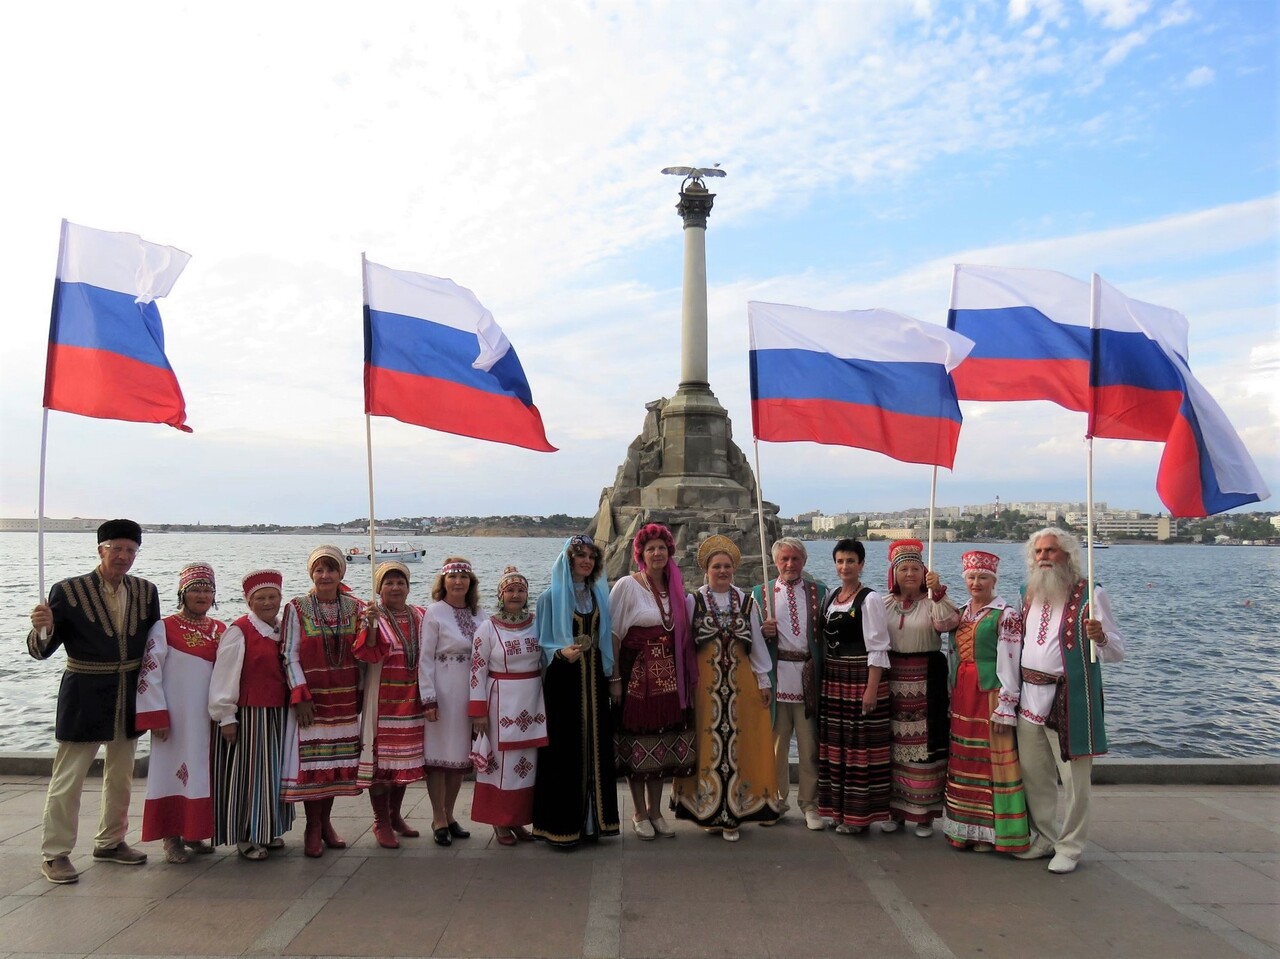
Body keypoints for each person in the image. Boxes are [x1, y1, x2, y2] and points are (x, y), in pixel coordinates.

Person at [27, 519, 160, 883]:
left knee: (121, 775)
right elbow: (42, 650)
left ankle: (111, 841)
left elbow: (156, 647)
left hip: (130, 691)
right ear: (100, 549)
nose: (123, 556)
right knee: (68, 777)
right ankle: (55, 853)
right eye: (115, 548)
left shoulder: (147, 592)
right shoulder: (67, 591)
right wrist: (43, 626)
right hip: (85, 691)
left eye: (130, 550)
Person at [1015, 528, 1125, 874]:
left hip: (1071, 699)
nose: (1044, 557)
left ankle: (1071, 845)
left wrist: (1102, 637)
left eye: (1051, 551)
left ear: (1068, 555)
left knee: (1075, 780)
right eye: (1039, 552)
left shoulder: (1092, 595)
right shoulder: (1027, 593)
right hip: (1030, 699)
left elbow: (1117, 652)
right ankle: (1045, 836)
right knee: (1034, 775)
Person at [672, 535, 781, 840]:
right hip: (704, 688)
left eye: (727, 566)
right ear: (706, 569)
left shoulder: (747, 602)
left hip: (740, 687)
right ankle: (706, 809)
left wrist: (763, 681)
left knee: (739, 744)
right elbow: (682, 646)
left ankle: (733, 813)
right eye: (716, 566)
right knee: (706, 744)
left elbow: (757, 646)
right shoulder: (693, 601)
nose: (722, 571)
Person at [281, 545, 375, 858]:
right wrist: (300, 694)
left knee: (334, 764)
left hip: (345, 699)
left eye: (331, 569)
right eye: (319, 570)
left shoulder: (356, 606)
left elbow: (365, 653)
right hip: (313, 701)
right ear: (311, 573)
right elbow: (289, 654)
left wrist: (372, 625)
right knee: (314, 764)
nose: (325, 575)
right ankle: (312, 826)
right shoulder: (297, 607)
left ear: (340, 573)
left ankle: (325, 823)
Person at [609, 523, 697, 840]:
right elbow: (615, 634)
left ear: (669, 552)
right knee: (637, 742)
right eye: (651, 549)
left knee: (663, 742)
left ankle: (657, 811)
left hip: (669, 680)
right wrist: (616, 678)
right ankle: (638, 812)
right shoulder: (627, 586)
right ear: (641, 555)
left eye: (662, 547)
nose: (657, 553)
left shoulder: (676, 588)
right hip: (636, 678)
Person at [531, 535, 620, 848]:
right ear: (567, 560)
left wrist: (613, 677)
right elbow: (541, 642)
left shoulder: (598, 594)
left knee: (595, 744)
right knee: (565, 748)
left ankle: (595, 823)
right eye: (579, 556)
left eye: (591, 557)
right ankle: (561, 826)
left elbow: (606, 634)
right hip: (563, 681)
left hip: (594, 677)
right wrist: (559, 653)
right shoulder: (549, 598)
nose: (586, 561)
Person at [939, 550, 1030, 855]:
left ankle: (997, 833)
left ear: (994, 580)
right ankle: (964, 829)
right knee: (965, 758)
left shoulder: (1006, 614)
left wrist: (1007, 702)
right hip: (963, 692)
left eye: (982, 577)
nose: (976, 583)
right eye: (971, 577)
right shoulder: (961, 612)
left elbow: (1011, 659)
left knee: (992, 761)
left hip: (990, 693)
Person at [136, 562, 227, 863]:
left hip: (208, 718)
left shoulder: (220, 629)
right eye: (195, 590)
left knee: (201, 773)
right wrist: (156, 715)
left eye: (207, 590)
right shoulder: (164, 627)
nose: (202, 595)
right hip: (175, 720)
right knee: (171, 773)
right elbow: (149, 673)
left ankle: (194, 832)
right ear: (182, 593)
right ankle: (170, 839)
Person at [208, 569, 294, 860]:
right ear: (249, 601)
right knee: (248, 775)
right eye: (261, 598)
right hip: (251, 713)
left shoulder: (282, 629)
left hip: (277, 713)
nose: (268, 602)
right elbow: (225, 675)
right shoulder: (240, 631)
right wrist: (226, 716)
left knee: (272, 773)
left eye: (273, 597)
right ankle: (246, 835)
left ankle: (266, 830)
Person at [817, 538, 892, 835]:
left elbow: (878, 648)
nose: (844, 566)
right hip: (834, 678)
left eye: (850, 561)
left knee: (858, 749)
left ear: (861, 564)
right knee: (836, 748)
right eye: (840, 561)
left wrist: (871, 689)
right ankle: (838, 811)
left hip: (860, 676)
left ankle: (858, 817)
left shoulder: (870, 599)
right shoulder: (832, 595)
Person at [881, 539, 955, 838]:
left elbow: (947, 624)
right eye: (903, 569)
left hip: (927, 677)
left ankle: (924, 816)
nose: (909, 574)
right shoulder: (884, 603)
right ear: (894, 574)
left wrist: (937, 592)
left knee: (926, 749)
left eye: (915, 568)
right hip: (893, 677)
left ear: (924, 571)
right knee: (894, 748)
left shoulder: (934, 602)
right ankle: (896, 811)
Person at [751, 537, 827, 831]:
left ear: (803, 561)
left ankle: (810, 804)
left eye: (795, 559)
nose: (790, 564)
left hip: (808, 677)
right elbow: (751, 639)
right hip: (777, 676)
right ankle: (776, 802)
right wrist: (762, 629)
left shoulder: (819, 592)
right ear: (775, 561)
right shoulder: (761, 593)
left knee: (810, 747)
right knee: (776, 747)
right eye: (784, 559)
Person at [469, 566, 548, 846]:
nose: (516, 594)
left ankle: (517, 819)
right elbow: (477, 670)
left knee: (527, 762)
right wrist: (477, 712)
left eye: (520, 590)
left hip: (532, 700)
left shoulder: (538, 622)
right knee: (501, 764)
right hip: (500, 701)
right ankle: (498, 821)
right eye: (510, 590)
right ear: (500, 595)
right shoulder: (487, 627)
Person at [354, 562, 427, 850]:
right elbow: (367, 654)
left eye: (400, 582)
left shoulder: (421, 615)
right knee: (383, 763)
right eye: (389, 583)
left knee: (404, 761)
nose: (395, 588)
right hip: (381, 697)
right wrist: (370, 627)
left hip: (413, 697)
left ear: (408, 587)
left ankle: (395, 816)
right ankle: (380, 821)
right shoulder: (371, 616)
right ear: (379, 588)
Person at [421, 557, 481, 846]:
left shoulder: (478, 614)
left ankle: (450, 814)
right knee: (439, 758)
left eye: (464, 577)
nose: (458, 582)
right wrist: (428, 698)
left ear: (471, 582)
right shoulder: (434, 613)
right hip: (443, 693)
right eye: (453, 577)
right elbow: (425, 659)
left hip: (470, 693)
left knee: (459, 758)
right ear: (443, 582)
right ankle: (437, 817)